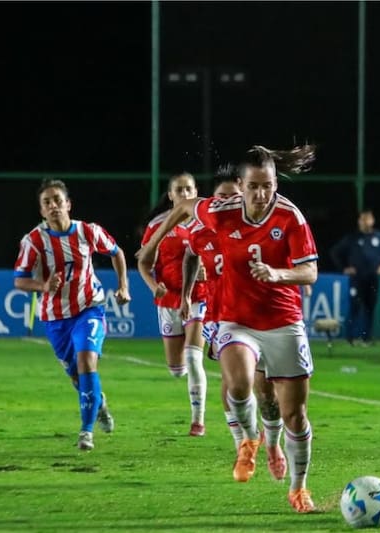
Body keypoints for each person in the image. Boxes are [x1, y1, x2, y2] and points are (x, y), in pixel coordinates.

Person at [138, 144, 319, 514]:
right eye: (253, 186)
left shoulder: (290, 217)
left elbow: (310, 271)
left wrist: (278, 274)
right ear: (241, 185)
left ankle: (298, 489)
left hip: (283, 321)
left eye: (267, 186)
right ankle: (248, 441)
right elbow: (185, 207)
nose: (261, 194)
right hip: (235, 321)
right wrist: (152, 245)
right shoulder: (220, 211)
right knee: (238, 383)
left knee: (292, 415)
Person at [180, 166, 287, 481]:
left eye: (232, 196)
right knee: (233, 383)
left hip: (262, 315)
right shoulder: (200, 231)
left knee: (266, 390)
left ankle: (274, 446)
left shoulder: (262, 226)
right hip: (221, 315)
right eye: (220, 196)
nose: (226, 201)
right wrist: (187, 294)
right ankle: (244, 444)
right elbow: (189, 255)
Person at [13, 179, 131, 450]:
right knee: (77, 377)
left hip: (89, 307)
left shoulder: (88, 231)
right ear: (42, 211)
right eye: (47, 203)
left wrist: (123, 285)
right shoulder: (33, 241)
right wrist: (43, 286)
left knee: (87, 361)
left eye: (57, 200)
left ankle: (86, 432)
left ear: (68, 204)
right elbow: (19, 280)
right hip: (55, 318)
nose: (53, 206)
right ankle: (98, 403)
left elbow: (117, 252)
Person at [138, 172, 209, 436]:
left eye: (189, 189)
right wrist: (154, 287)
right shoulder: (158, 225)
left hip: (199, 297)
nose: (185, 194)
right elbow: (144, 263)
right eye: (179, 190)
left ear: (196, 191)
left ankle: (198, 421)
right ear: (170, 195)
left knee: (193, 358)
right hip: (168, 302)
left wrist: (208, 272)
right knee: (177, 370)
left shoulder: (207, 222)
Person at [330, 209, 380, 345]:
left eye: (367, 219)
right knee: (355, 307)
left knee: (370, 308)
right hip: (357, 279)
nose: (365, 222)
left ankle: (366, 338)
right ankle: (350, 337)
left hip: (373, 278)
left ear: (372, 221)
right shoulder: (352, 238)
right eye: (362, 219)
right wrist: (344, 268)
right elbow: (334, 252)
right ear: (359, 221)